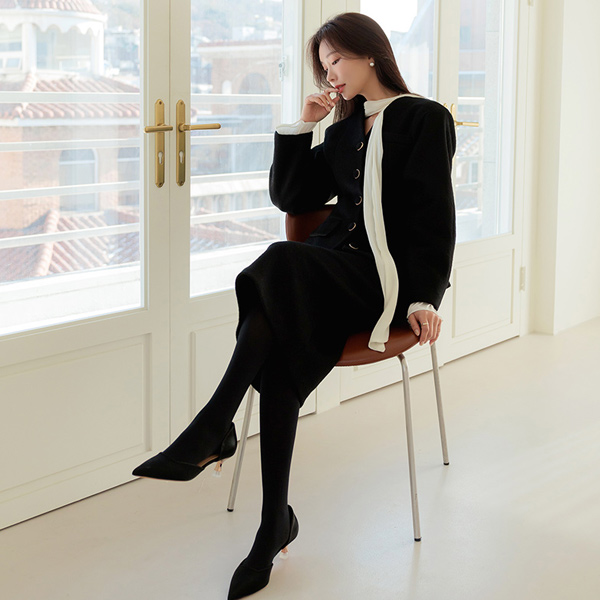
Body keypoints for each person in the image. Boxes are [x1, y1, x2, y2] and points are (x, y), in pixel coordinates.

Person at [132, 11, 456, 600]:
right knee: (278, 351)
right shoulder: (343, 128)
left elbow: (435, 218)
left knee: (281, 263)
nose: (331, 74)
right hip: (327, 272)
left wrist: (424, 297)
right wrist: (304, 125)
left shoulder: (423, 117)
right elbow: (290, 196)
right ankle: (271, 527)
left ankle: (215, 425)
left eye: (337, 60)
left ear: (371, 53)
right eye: (324, 66)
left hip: (379, 280)